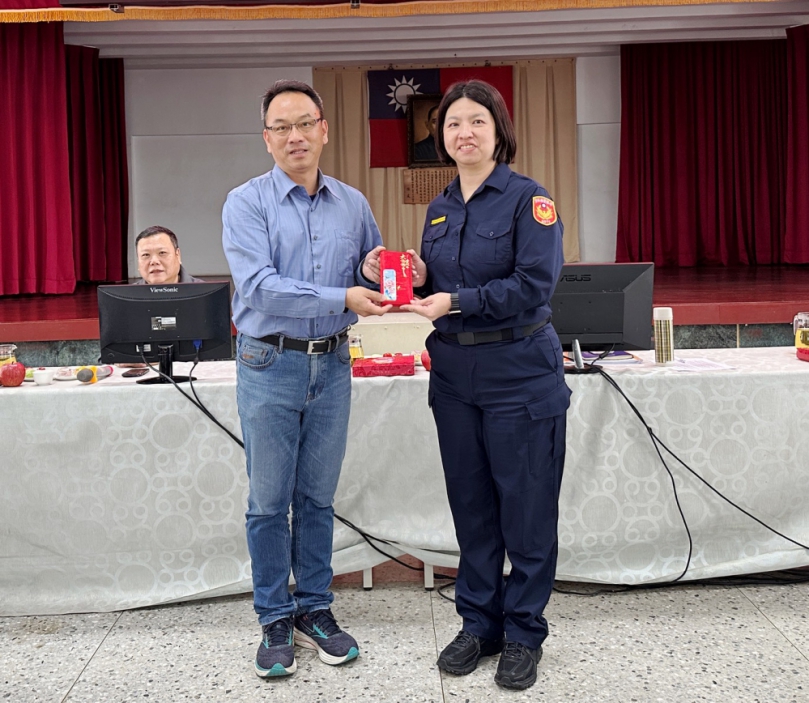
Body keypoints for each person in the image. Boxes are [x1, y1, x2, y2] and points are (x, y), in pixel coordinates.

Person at [400, 80, 571, 691]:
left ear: (498, 130)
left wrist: (456, 299)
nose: (462, 133)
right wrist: (415, 279)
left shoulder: (530, 200)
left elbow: (534, 285)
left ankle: (524, 631)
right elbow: (434, 288)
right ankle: (479, 622)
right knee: (471, 509)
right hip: (453, 377)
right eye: (451, 124)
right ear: (439, 135)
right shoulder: (440, 206)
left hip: (519, 373)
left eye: (475, 121)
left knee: (525, 510)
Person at [221, 79, 390, 680]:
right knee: (269, 502)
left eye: (305, 124)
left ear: (324, 130)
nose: (295, 137)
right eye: (282, 128)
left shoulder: (353, 203)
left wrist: (379, 269)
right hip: (269, 362)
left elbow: (370, 265)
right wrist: (341, 292)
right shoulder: (245, 203)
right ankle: (273, 616)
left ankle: (314, 610)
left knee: (317, 497)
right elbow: (260, 286)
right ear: (267, 139)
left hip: (334, 361)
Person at [134, 226, 203, 284]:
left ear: (178, 255)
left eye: (162, 253)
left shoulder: (204, 292)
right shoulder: (128, 296)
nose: (154, 261)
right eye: (146, 255)